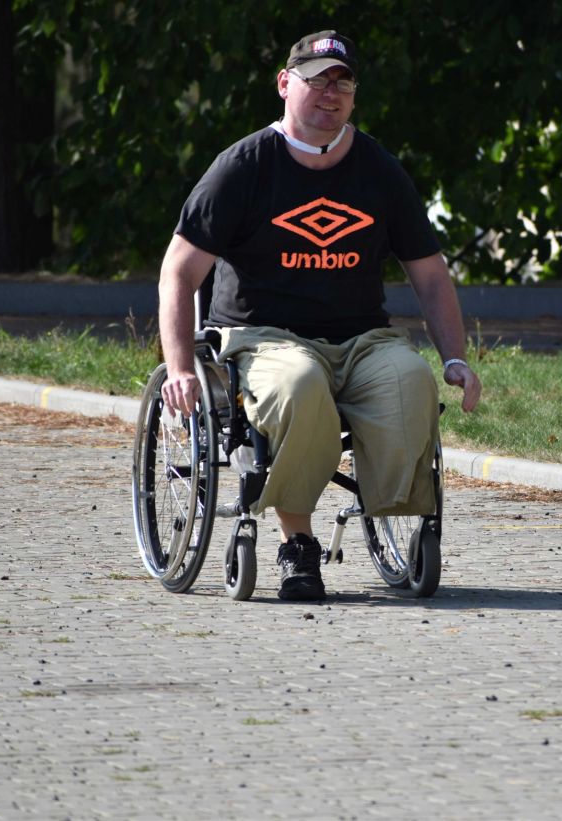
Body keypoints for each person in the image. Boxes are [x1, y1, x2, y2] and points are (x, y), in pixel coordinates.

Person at [157, 29, 482, 601]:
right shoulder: (244, 167)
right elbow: (178, 273)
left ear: (354, 95)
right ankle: (298, 544)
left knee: (411, 379)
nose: (330, 93)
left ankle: (394, 514)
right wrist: (181, 366)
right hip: (263, 338)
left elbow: (430, 274)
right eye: (316, 81)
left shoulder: (378, 170)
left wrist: (455, 358)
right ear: (285, 84)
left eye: (343, 83)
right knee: (301, 383)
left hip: (361, 339)